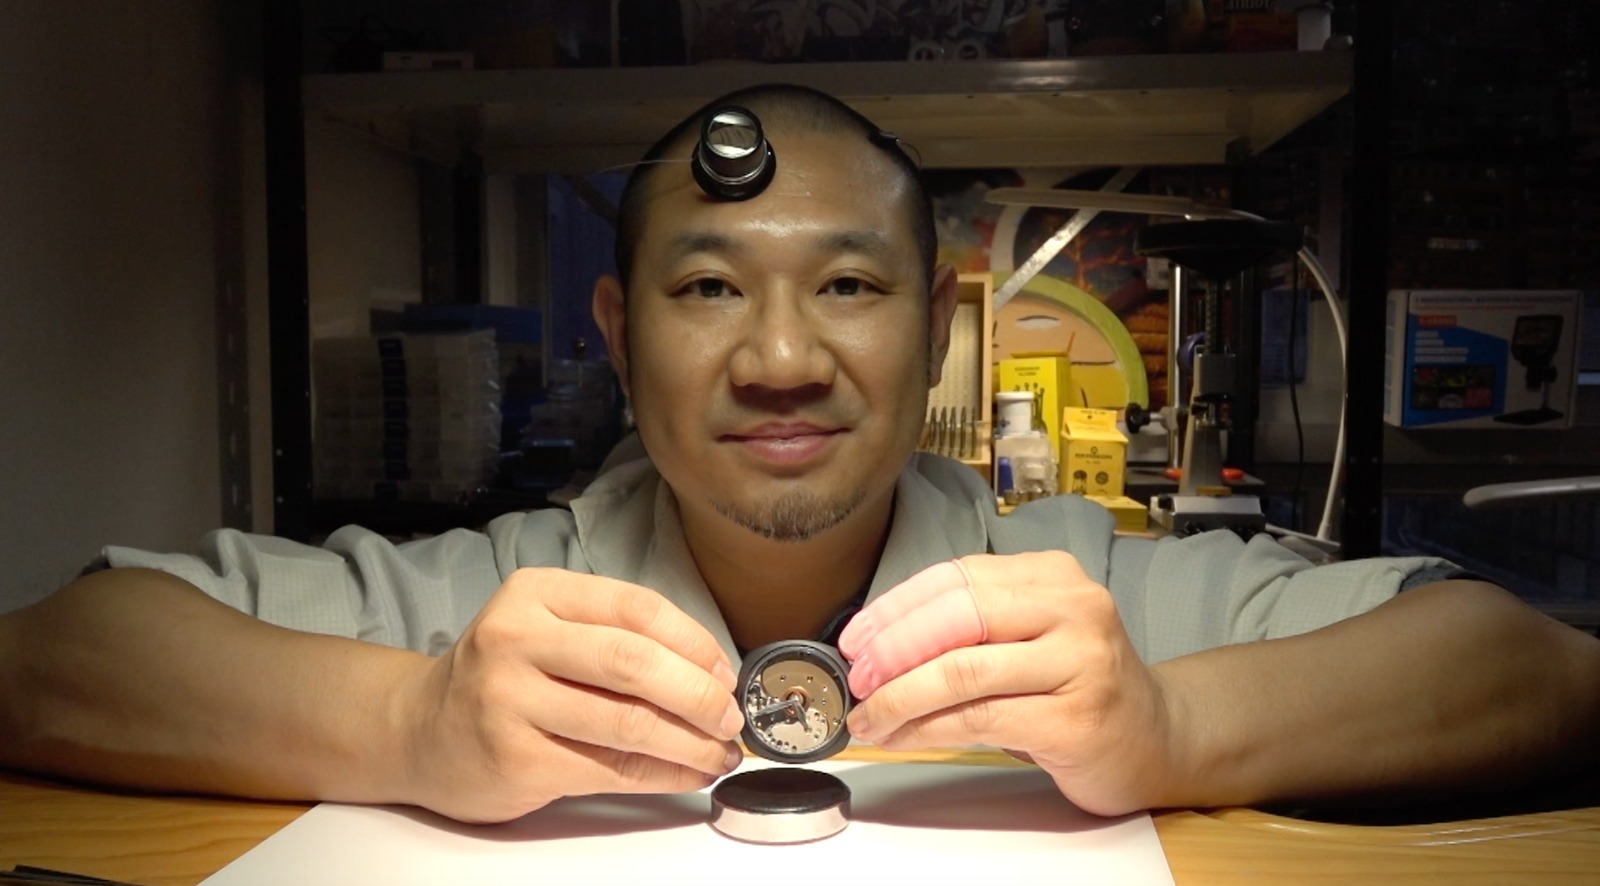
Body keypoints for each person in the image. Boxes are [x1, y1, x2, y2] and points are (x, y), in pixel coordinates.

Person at [2, 84, 1597, 826]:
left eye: (847, 285)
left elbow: (1537, 674)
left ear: (938, 325)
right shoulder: (497, 602)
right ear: (619, 333)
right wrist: (410, 723)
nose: (778, 357)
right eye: (709, 288)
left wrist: (1177, 726)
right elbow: (47, 659)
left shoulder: (1082, 594)